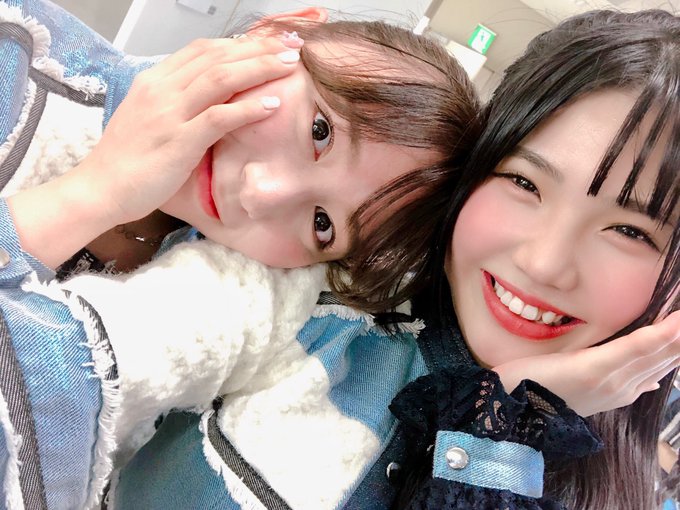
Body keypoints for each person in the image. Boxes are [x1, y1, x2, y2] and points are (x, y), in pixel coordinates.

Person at [109, 8, 679, 510]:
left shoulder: (607, 491)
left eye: (630, 231)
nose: (544, 263)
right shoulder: (327, 285)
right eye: (524, 182)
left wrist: (504, 425)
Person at [0, 1, 482, 508]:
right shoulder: (20, 50)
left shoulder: (235, 302)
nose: (260, 192)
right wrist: (93, 192)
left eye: (322, 223)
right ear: (282, 29)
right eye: (319, 130)